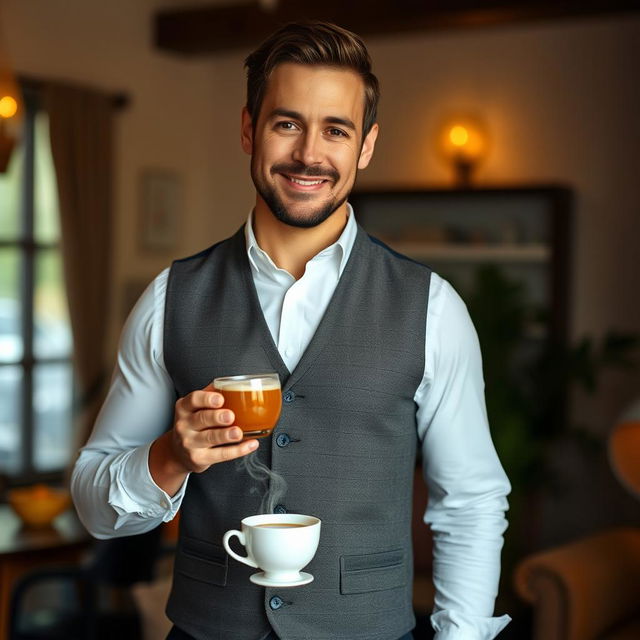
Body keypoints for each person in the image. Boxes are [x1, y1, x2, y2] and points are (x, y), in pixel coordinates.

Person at [71, 20, 511, 640]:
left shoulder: (433, 308)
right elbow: (94, 504)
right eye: (287, 124)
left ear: (366, 146)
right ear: (250, 129)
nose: (310, 153)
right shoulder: (171, 298)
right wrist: (171, 456)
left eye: (336, 129)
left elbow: (469, 504)